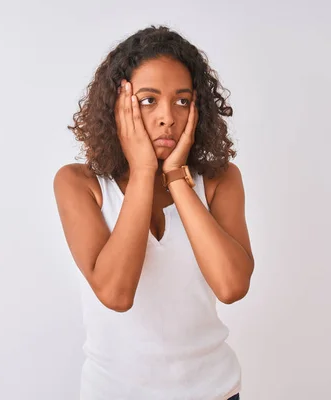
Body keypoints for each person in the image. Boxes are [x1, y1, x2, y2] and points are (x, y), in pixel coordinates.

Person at [54, 25, 254, 400]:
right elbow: (116, 293)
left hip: (215, 392)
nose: (168, 117)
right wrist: (144, 170)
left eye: (182, 101)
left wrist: (177, 178)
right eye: (148, 100)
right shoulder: (79, 184)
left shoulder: (219, 180)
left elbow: (231, 287)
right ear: (117, 106)